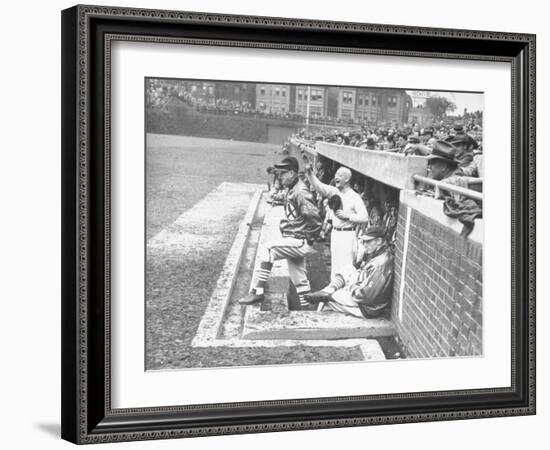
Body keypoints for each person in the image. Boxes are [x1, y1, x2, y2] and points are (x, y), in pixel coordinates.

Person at [238, 157, 322, 308]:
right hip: (294, 238)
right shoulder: (293, 187)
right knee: (299, 279)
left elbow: (315, 217)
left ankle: (257, 291)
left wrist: (308, 240)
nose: (280, 177)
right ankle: (308, 310)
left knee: (268, 248)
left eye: (283, 173)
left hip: (299, 240)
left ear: (291, 173)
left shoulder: (301, 191)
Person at [304, 226, 394, 318]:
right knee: (348, 268)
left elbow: (365, 297)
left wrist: (351, 287)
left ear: (379, 241)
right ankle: (327, 291)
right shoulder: (379, 253)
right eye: (364, 241)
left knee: (326, 302)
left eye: (368, 241)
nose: (365, 244)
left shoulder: (381, 263)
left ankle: (319, 323)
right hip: (363, 296)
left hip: (368, 308)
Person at [305, 164, 368, 277]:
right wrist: (309, 173)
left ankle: (344, 293)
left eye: (339, 175)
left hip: (348, 235)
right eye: (336, 174)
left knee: (346, 268)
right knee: (335, 267)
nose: (336, 177)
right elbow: (319, 186)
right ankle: (333, 292)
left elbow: (365, 217)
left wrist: (348, 216)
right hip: (335, 234)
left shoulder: (355, 197)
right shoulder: (334, 191)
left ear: (347, 179)